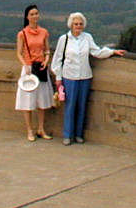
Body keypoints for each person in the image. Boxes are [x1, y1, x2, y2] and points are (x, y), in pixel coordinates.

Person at [51, 12, 125, 145]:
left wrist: (112, 52)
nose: (78, 26)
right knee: (70, 105)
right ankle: (67, 135)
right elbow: (57, 59)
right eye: (75, 24)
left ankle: (79, 134)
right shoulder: (64, 39)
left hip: (85, 76)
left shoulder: (87, 37)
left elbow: (96, 51)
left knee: (82, 106)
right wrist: (58, 76)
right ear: (71, 25)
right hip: (69, 76)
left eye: (80, 24)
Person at [15, 4, 53, 141]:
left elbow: (47, 49)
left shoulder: (44, 32)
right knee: (28, 101)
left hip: (41, 67)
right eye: (32, 14)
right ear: (27, 17)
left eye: (36, 13)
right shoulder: (22, 33)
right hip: (29, 69)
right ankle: (29, 130)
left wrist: (47, 60)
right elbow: (18, 53)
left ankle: (41, 129)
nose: (35, 16)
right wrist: (25, 64)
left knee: (42, 100)